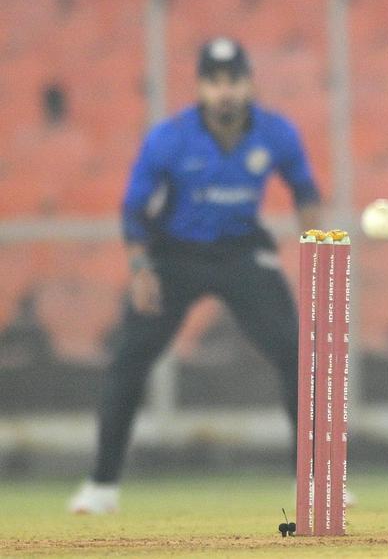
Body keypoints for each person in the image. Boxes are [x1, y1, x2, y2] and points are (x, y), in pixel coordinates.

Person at [68, 38, 322, 514]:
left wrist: (316, 247)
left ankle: (314, 484)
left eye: (234, 81)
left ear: (249, 84)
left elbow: (305, 192)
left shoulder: (276, 133)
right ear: (201, 87)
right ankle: (101, 485)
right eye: (214, 82)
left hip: (241, 250)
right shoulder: (170, 137)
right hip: (175, 254)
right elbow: (134, 208)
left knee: (298, 355)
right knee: (129, 362)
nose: (225, 92)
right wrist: (141, 267)